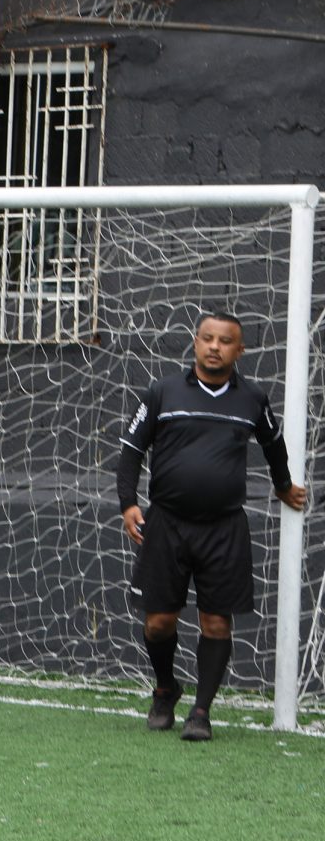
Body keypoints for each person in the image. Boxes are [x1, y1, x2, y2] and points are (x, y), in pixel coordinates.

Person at [116, 313, 309, 740]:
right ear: (195, 343)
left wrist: (283, 486)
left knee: (217, 623)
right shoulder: (162, 392)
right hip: (165, 523)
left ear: (239, 350)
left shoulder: (252, 399)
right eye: (207, 338)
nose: (215, 347)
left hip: (224, 528)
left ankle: (201, 712)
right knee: (159, 623)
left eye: (225, 341)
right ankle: (165, 688)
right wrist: (128, 504)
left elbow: (274, 444)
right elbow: (131, 451)